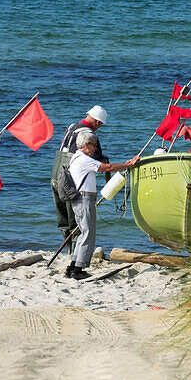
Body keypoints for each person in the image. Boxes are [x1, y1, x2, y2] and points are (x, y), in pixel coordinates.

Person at [66, 130, 139, 280]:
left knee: (82, 232)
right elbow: (108, 167)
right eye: (94, 146)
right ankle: (78, 270)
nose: (95, 149)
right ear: (86, 145)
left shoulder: (76, 158)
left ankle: (72, 266)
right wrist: (128, 164)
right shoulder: (84, 159)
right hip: (84, 199)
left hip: (80, 199)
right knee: (88, 233)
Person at [51, 105, 109, 249]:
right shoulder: (89, 136)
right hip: (71, 182)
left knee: (63, 220)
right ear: (98, 122)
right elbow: (96, 162)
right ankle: (75, 254)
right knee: (75, 222)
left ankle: (69, 249)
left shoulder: (72, 127)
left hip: (56, 176)